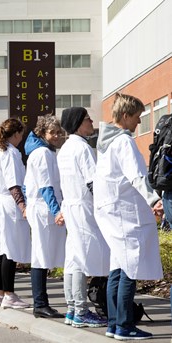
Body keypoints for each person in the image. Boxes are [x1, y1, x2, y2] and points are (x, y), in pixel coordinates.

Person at [94, 93, 163, 340]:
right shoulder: (124, 142)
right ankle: (124, 325)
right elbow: (137, 176)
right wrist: (154, 200)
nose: (138, 123)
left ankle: (114, 324)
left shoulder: (105, 144)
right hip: (124, 213)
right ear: (125, 116)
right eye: (137, 117)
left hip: (111, 211)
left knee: (118, 267)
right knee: (129, 269)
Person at [58, 107, 109, 328]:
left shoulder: (65, 149)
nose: (92, 122)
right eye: (88, 119)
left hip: (70, 206)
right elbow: (92, 182)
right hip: (83, 207)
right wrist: (104, 207)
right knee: (80, 258)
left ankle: (71, 309)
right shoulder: (83, 148)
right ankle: (80, 311)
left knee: (72, 258)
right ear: (79, 123)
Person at [24, 115, 66, 319]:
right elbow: (46, 185)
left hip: (40, 208)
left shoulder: (43, 152)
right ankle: (39, 303)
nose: (57, 136)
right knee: (40, 256)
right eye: (53, 132)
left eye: (59, 132)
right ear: (42, 133)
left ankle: (41, 303)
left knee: (42, 255)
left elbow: (26, 185)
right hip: (43, 209)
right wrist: (56, 210)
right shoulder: (42, 153)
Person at [0, 118, 31, 309]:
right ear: (15, 134)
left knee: (0, 248)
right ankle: (9, 294)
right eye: (21, 134)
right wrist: (22, 206)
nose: (21, 138)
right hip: (8, 203)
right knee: (10, 249)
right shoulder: (11, 153)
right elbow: (14, 183)